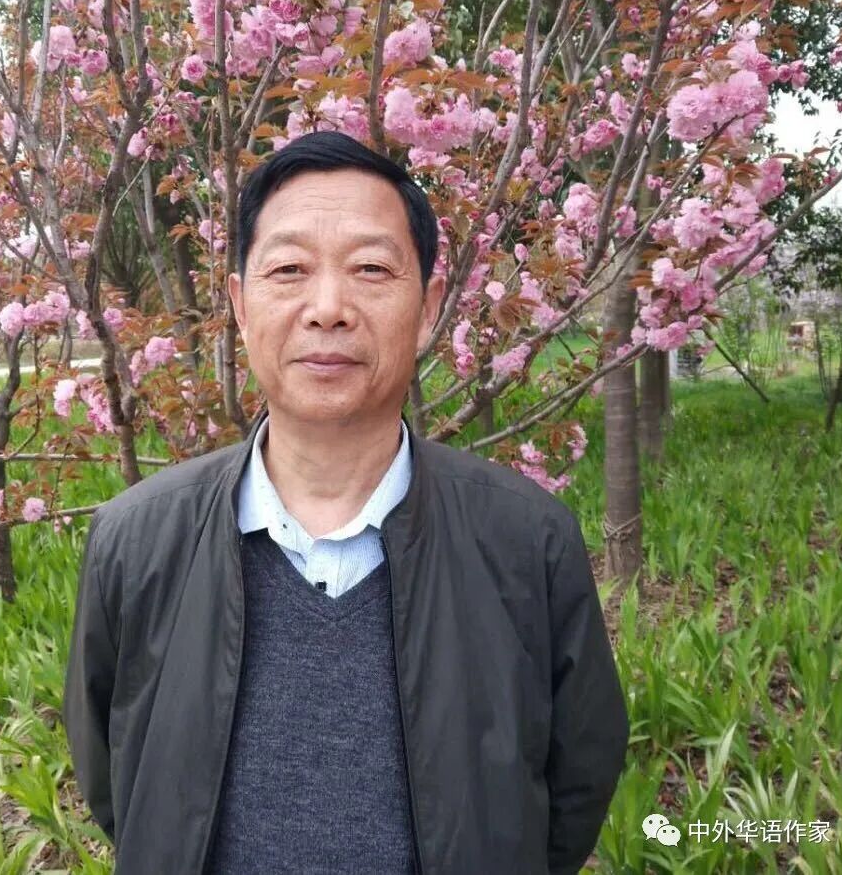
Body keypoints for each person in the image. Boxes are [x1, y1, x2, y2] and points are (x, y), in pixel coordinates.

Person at [63, 130, 629, 875]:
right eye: (289, 270)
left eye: (371, 269)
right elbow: (121, 782)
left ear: (427, 308)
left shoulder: (529, 542)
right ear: (240, 305)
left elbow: (576, 781)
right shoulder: (136, 540)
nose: (328, 308)